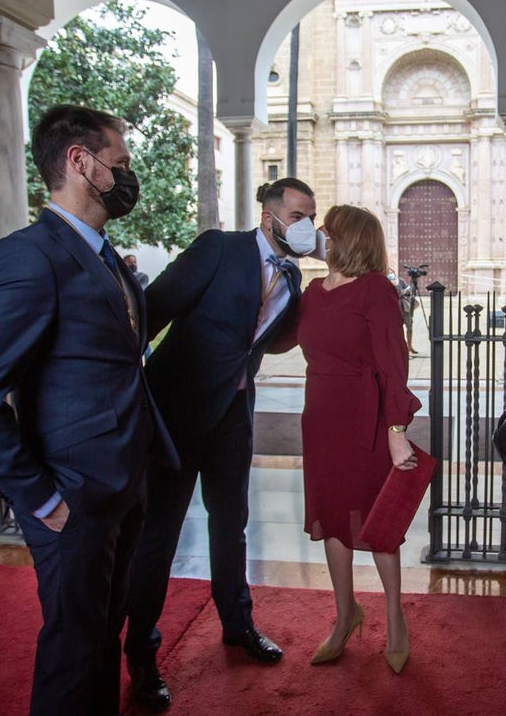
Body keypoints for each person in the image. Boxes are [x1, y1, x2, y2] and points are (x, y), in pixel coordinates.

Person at [0, 104, 178, 716]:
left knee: (103, 638)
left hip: (123, 484)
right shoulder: (29, 256)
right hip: (70, 497)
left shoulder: (102, 254)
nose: (129, 177)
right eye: (120, 164)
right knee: (73, 655)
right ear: (82, 162)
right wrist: (40, 497)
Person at [123, 178, 317, 711]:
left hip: (234, 415)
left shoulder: (292, 275)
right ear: (269, 214)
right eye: (298, 215)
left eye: (311, 218)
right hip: (177, 413)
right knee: (158, 535)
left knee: (231, 525)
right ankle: (141, 650)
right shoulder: (219, 248)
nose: (306, 227)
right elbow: (151, 310)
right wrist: (123, 392)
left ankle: (237, 625)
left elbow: (263, 340)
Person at [297, 205, 422, 674]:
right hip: (321, 418)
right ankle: (346, 614)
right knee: (331, 518)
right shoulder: (310, 291)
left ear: (350, 239)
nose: (321, 235)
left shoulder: (377, 291)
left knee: (377, 522)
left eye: (329, 230)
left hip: (366, 420)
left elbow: (393, 363)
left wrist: (396, 431)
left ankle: (394, 616)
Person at [387, 267, 418, 355]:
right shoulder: (385, 283)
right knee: (397, 329)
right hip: (394, 310)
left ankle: (409, 346)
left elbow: (408, 290)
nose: (390, 274)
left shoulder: (400, 281)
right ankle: (399, 348)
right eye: (388, 273)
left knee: (409, 327)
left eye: (391, 272)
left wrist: (408, 290)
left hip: (405, 308)